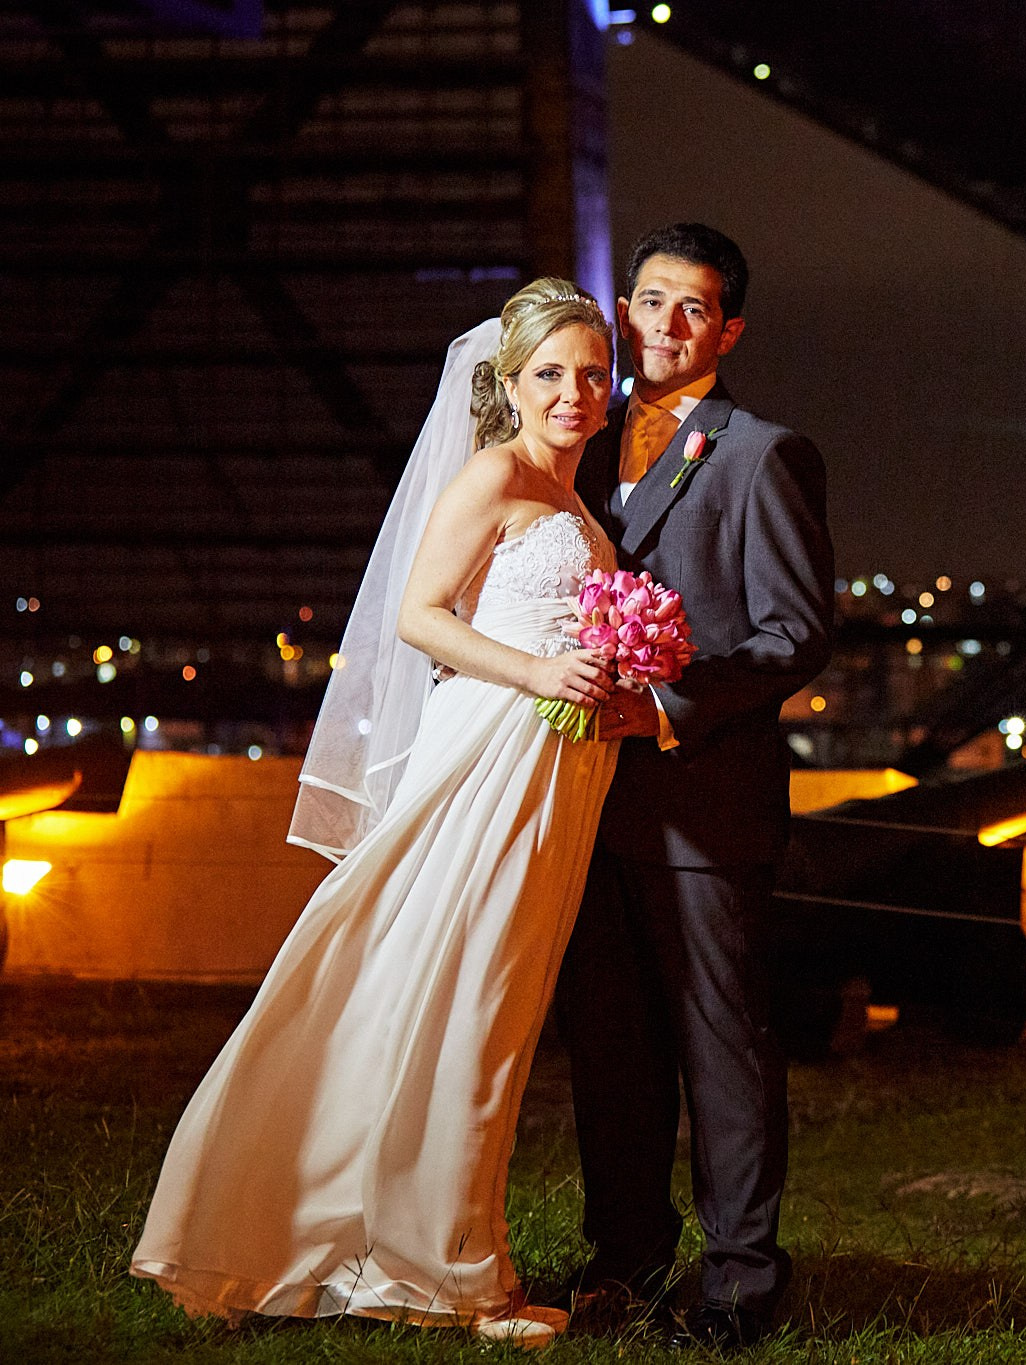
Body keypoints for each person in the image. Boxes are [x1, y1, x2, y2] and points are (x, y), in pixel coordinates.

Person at [130, 279, 625, 1349]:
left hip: (555, 772)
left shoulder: (579, 498)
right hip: (488, 763)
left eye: (592, 373)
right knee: (461, 1002)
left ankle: (422, 1247)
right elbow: (416, 617)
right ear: (506, 383)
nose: (576, 392)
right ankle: (447, 1276)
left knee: (481, 1009)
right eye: (551, 373)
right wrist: (541, 668)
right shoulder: (494, 473)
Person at [551, 222, 834, 1349]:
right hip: (583, 803)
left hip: (704, 808)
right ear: (624, 310)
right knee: (608, 1050)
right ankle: (622, 1258)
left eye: (693, 308)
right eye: (651, 301)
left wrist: (666, 705)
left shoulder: (765, 454)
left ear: (729, 330)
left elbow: (796, 632)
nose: (667, 326)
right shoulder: (572, 439)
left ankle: (739, 1286)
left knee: (722, 1049)